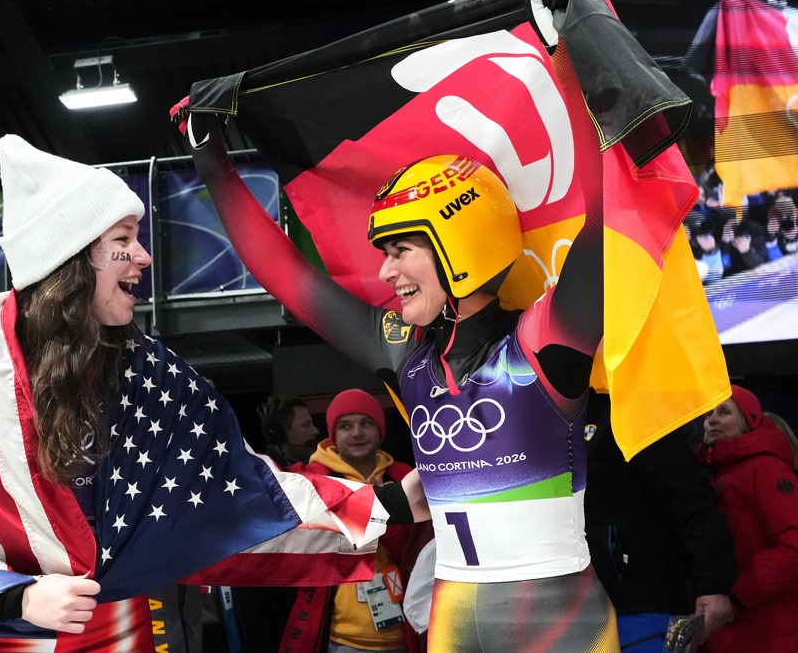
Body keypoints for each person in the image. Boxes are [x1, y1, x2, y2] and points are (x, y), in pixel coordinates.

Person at [0, 135, 386, 653]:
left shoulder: (139, 369)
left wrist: (381, 502)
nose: (146, 256)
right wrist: (14, 599)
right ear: (72, 259)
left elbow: (234, 487)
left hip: (119, 628)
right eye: (125, 237)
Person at [190, 118, 618, 649]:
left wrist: (575, 63)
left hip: (559, 616)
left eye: (400, 251)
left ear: (459, 244)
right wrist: (210, 158)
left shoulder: (543, 340)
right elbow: (287, 276)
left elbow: (607, 221)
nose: (386, 273)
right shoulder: (407, 351)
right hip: (453, 614)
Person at [582, 391, 736, 651]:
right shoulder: (553, 417)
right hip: (574, 603)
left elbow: (689, 495)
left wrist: (714, 582)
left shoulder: (634, 410)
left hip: (643, 597)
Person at [285, 389, 426, 653]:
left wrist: (383, 508)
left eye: (366, 423)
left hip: (403, 633)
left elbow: (417, 554)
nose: (357, 433)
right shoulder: (312, 482)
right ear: (333, 435)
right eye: (345, 426)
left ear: (380, 430)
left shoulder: (406, 478)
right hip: (338, 638)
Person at [698, 385, 798, 653]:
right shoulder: (715, 476)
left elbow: (794, 547)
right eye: (708, 413)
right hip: (734, 632)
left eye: (724, 412)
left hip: (771, 633)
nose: (712, 419)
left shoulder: (766, 469)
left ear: (748, 422)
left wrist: (734, 598)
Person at [257, 393, 321, 469]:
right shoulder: (268, 476)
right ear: (279, 433)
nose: (316, 431)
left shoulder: (322, 465)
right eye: (306, 425)